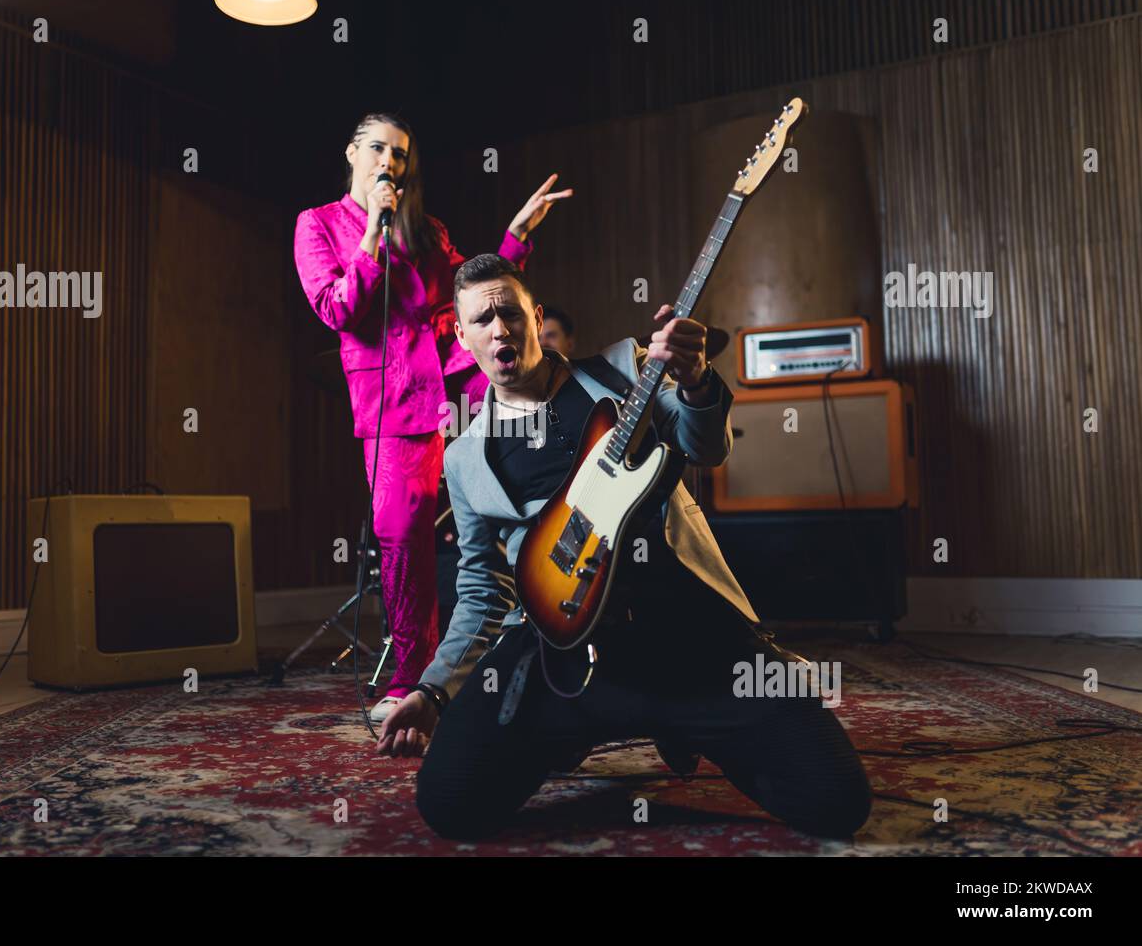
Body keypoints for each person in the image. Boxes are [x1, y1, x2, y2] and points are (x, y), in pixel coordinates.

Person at [377, 254, 872, 841]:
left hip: (686, 636)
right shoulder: (464, 458)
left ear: (535, 317)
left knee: (836, 801)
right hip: (556, 654)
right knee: (448, 803)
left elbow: (706, 447)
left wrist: (695, 378)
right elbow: (482, 591)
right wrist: (432, 691)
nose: (499, 328)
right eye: (482, 320)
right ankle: (573, 732)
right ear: (462, 338)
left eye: (510, 312)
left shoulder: (622, 372)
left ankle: (681, 726)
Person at [293, 113, 572, 722]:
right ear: (351, 153)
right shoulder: (317, 224)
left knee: (541, 438)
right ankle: (412, 678)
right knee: (401, 534)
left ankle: (557, 623)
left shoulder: (426, 229)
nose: (389, 162)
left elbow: (471, 295)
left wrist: (515, 236)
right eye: (377, 148)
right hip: (393, 400)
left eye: (400, 154)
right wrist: (372, 234)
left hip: (458, 375)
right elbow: (338, 310)